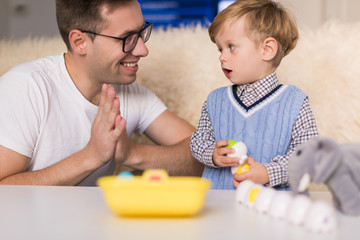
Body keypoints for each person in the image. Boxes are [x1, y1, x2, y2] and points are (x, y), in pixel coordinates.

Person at [0, 0, 203, 186]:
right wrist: (91, 156)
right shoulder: (25, 88)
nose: (142, 50)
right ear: (80, 42)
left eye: (141, 33)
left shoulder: (130, 92)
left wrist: (132, 153)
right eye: (127, 38)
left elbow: (203, 153)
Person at [190, 0, 318, 189]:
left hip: (273, 209)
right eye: (220, 49)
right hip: (219, 206)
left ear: (267, 50)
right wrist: (212, 153)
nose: (221, 56)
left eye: (231, 46)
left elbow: (309, 157)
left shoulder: (295, 102)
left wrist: (268, 173)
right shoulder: (215, 101)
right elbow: (198, 141)